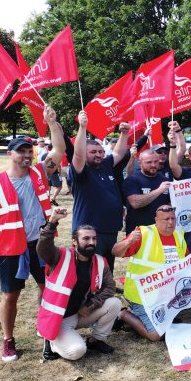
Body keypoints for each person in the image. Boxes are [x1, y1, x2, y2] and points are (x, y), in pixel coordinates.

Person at [0, 105, 65, 362]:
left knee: (47, 287)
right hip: (10, 247)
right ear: (10, 153)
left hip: (40, 243)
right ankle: (8, 340)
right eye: (22, 151)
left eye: (30, 151)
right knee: (10, 295)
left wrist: (52, 123)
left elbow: (59, 151)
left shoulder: (39, 172)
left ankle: (47, 332)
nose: (27, 155)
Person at [36, 207, 121, 360]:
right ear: (74, 241)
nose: (91, 242)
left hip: (80, 313)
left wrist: (90, 305)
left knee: (114, 303)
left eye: (94, 239)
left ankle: (96, 340)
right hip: (58, 319)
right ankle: (51, 340)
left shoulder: (100, 261)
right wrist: (52, 222)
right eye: (86, 239)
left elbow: (110, 287)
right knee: (77, 352)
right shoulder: (59, 256)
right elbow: (43, 248)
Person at [112, 205, 188, 341]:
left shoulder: (179, 236)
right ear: (156, 220)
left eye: (173, 218)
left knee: (169, 326)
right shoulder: (143, 233)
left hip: (164, 297)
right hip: (141, 296)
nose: (170, 222)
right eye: (166, 219)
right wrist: (129, 241)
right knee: (155, 335)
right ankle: (123, 314)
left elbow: (188, 262)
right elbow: (115, 251)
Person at [70, 111, 130, 272]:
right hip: (89, 231)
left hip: (110, 230)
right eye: (93, 152)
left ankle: (104, 293)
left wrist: (124, 134)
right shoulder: (81, 170)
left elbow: (118, 153)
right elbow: (78, 153)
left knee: (106, 267)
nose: (98, 155)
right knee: (88, 270)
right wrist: (82, 128)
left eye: (100, 152)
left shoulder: (105, 164)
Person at [123, 149, 172, 234]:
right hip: (138, 232)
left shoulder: (164, 180)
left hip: (160, 230)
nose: (153, 165)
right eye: (149, 162)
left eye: (156, 161)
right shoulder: (132, 180)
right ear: (140, 163)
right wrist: (159, 190)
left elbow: (169, 203)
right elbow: (135, 203)